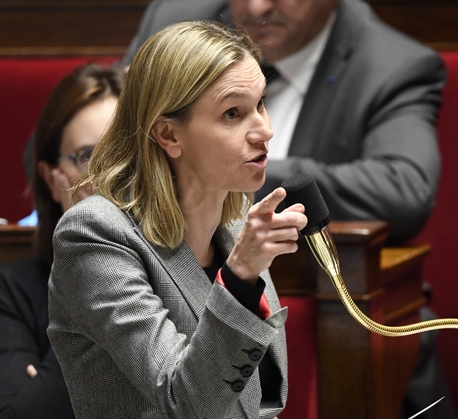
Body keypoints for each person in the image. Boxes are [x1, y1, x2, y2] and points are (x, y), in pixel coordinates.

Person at [124, 1, 458, 418]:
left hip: (336, 331)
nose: (258, 5)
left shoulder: (390, 64)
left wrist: (245, 172)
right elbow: (106, 147)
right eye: (232, 113)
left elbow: (404, 190)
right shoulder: (175, 21)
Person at [47, 21, 306, 419]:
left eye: (261, 104)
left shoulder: (235, 224)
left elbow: (258, 404)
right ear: (168, 135)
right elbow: (184, 403)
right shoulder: (96, 235)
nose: (264, 131)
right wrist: (237, 278)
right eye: (233, 113)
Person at [0, 62, 125, 419]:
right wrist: (90, 264)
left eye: (123, 152)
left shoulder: (187, 267)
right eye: (88, 157)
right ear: (51, 177)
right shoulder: (7, 290)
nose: (110, 176)